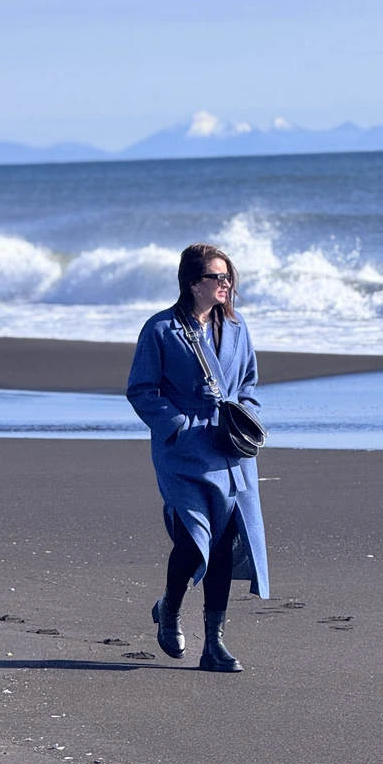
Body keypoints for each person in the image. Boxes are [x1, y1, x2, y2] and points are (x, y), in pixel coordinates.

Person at [126, 243, 270, 672]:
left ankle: (214, 643)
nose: (226, 284)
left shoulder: (239, 328)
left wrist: (246, 417)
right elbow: (141, 390)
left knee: (224, 543)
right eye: (216, 277)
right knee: (193, 538)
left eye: (228, 277)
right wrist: (177, 426)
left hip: (229, 451)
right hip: (182, 452)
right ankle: (169, 608)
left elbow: (248, 384)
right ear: (192, 283)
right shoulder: (160, 329)